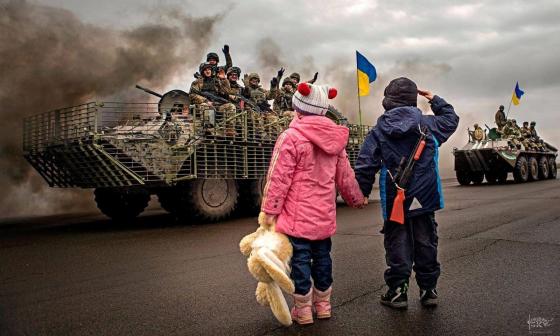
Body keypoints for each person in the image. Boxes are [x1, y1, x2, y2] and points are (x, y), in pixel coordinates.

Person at [260, 82, 366, 324]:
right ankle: (324, 305)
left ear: (299, 109)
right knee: (323, 259)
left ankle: (303, 310)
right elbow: (345, 176)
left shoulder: (291, 137)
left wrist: (269, 211)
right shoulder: (336, 139)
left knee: (300, 261)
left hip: (297, 219)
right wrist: (356, 198)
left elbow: (278, 177)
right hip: (324, 216)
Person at [354, 77, 459, 309]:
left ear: (387, 100)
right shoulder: (429, 124)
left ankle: (398, 291)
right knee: (426, 240)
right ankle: (428, 289)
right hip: (425, 197)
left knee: (396, 241)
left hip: (395, 197)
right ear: (413, 99)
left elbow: (365, 163)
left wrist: (361, 192)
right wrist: (435, 100)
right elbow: (452, 120)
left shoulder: (379, 129)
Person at [189, 62, 237, 136]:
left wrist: (224, 79)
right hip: (203, 105)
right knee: (206, 106)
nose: (208, 71)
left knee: (231, 106)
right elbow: (192, 95)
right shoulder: (197, 82)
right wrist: (205, 100)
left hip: (216, 105)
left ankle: (229, 129)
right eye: (205, 70)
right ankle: (209, 128)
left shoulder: (216, 81)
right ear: (202, 71)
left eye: (209, 69)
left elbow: (227, 92)